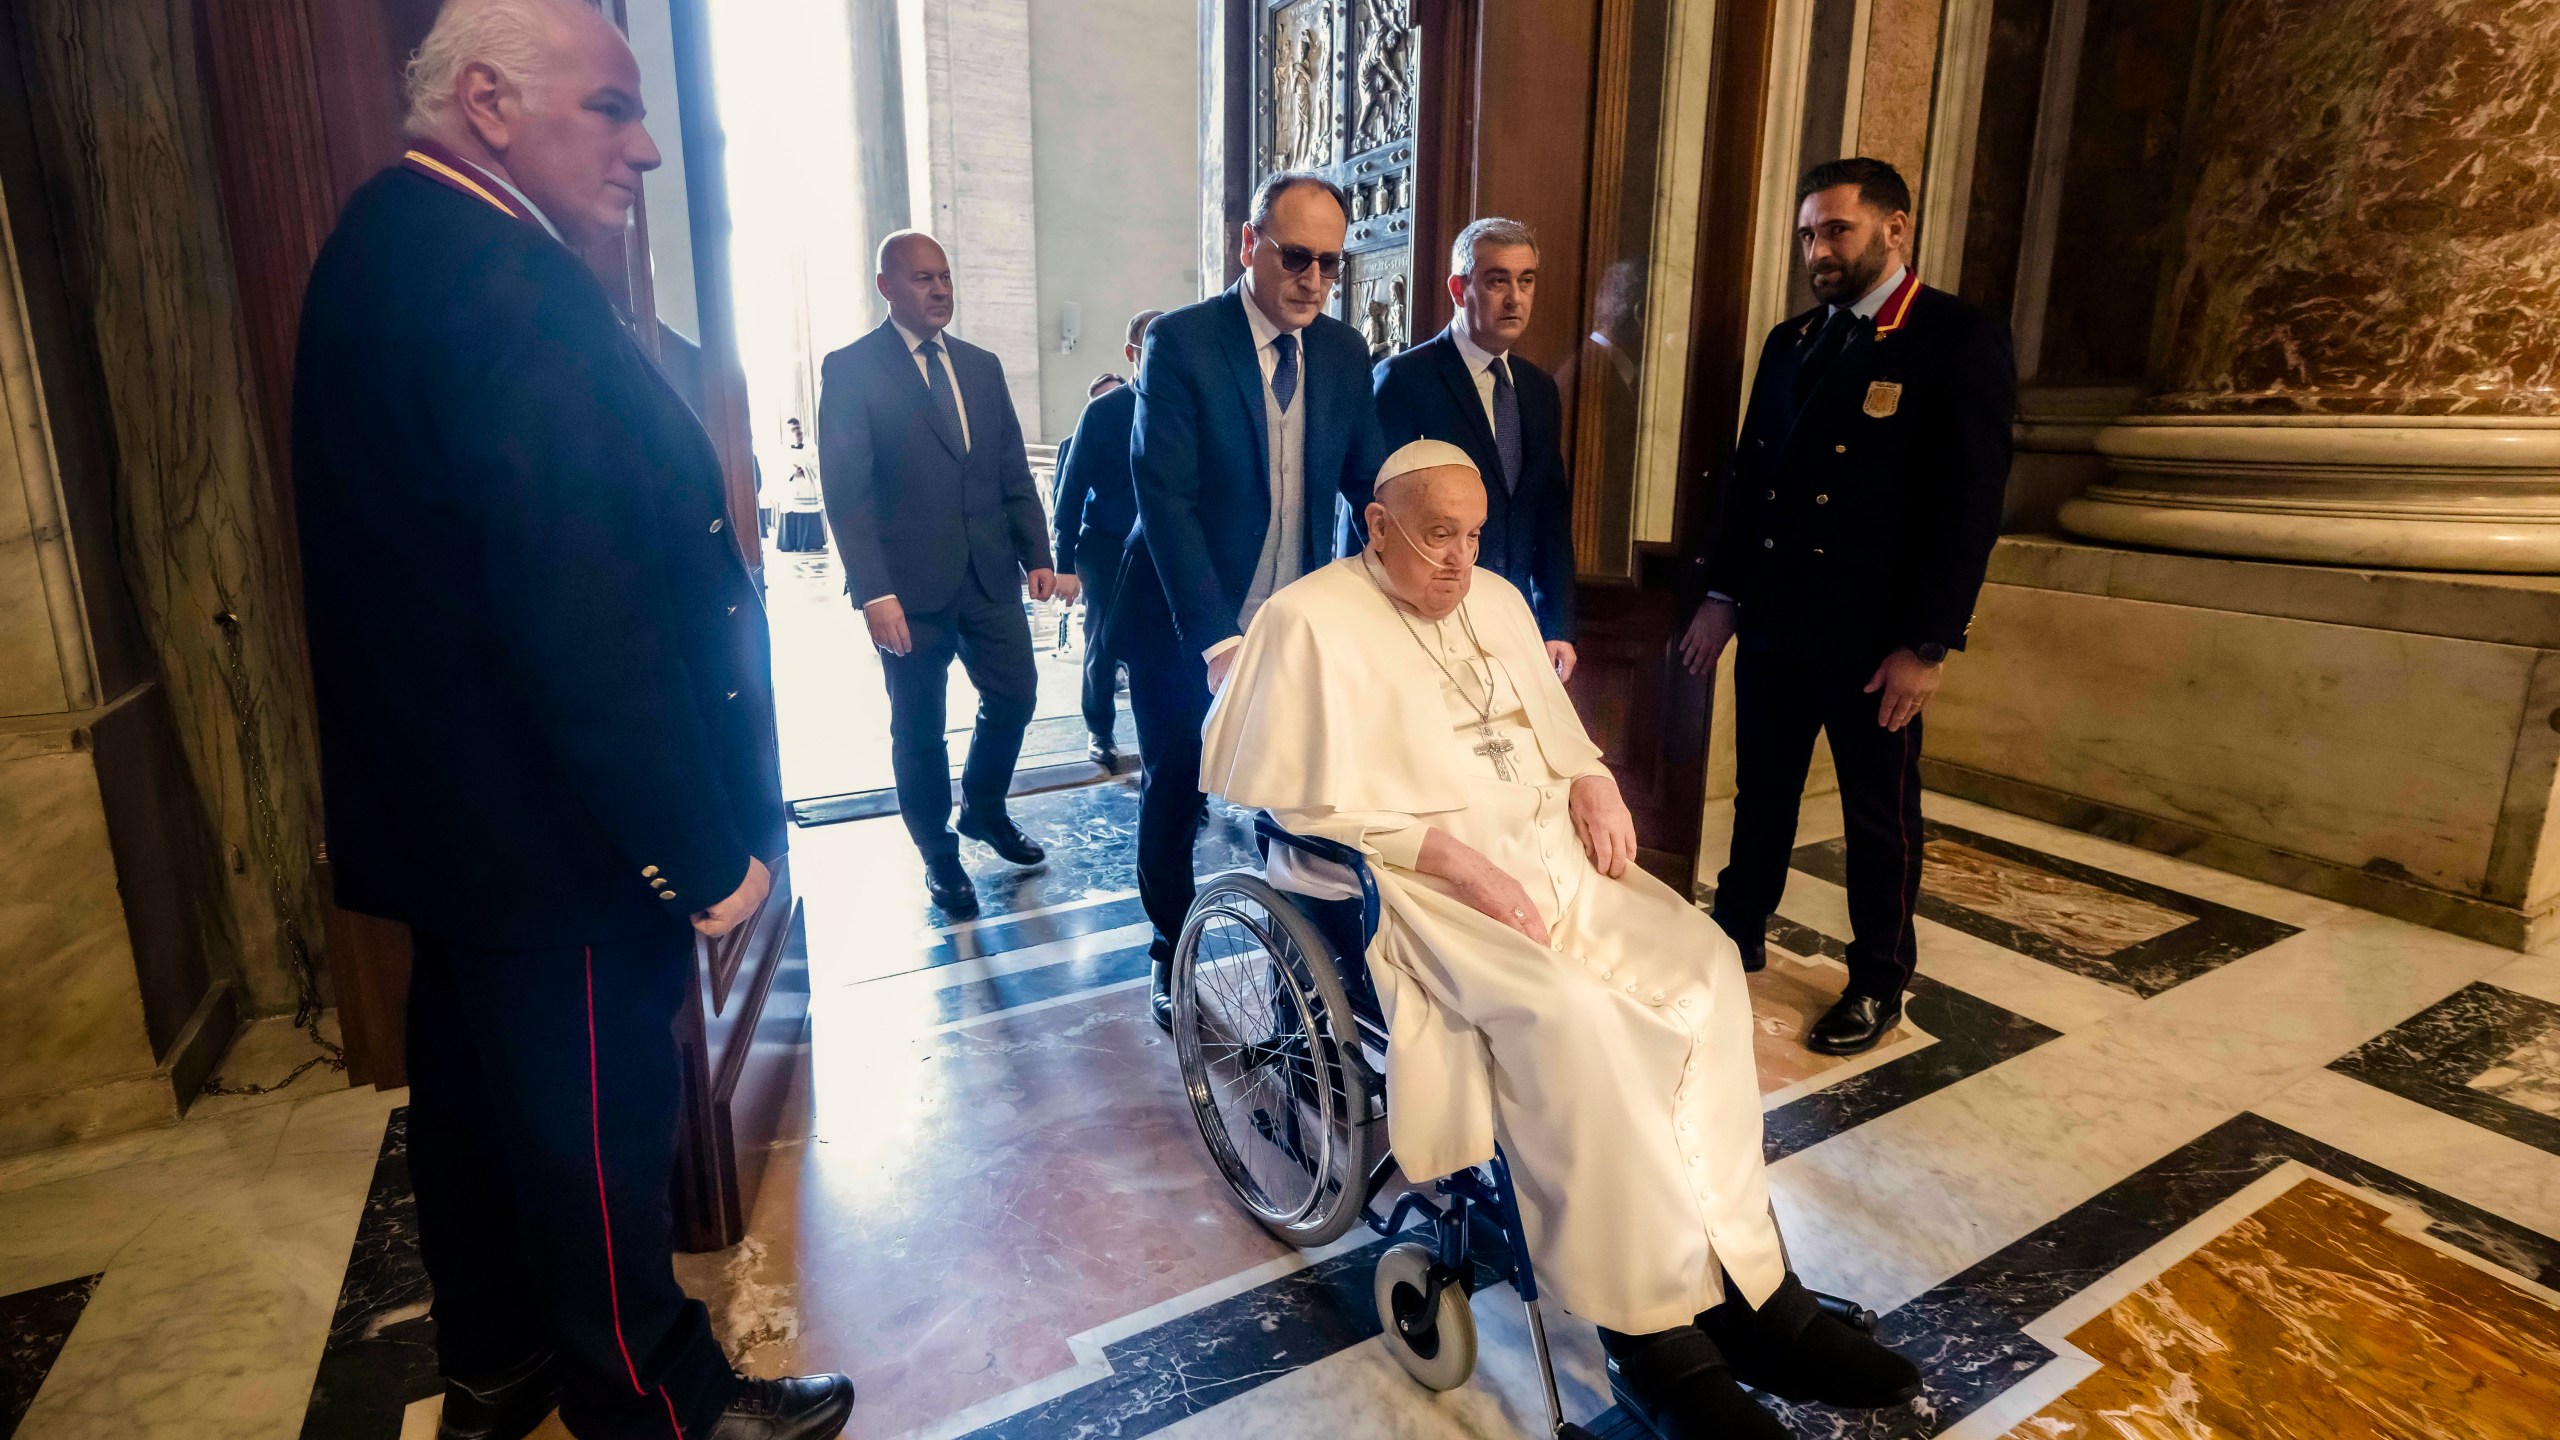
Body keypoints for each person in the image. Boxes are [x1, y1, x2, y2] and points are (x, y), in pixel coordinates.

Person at [291, 2, 854, 1438]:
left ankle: (496, 1369)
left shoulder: (384, 242)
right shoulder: (506, 283)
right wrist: (695, 849)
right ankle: (664, 1410)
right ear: (488, 98)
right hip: (557, 835)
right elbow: (579, 610)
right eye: (612, 107)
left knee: (477, 1123)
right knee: (593, 1146)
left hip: (455, 823)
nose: (647, 144)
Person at [1200, 442, 1921, 1440]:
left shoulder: (1496, 598)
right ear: (1376, 525)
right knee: (1583, 1018)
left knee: (1706, 965)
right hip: (1430, 891)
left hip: (1559, 864)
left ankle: (1749, 1288)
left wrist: (1591, 778)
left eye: (1473, 535)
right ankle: (1652, 1337)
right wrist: (1454, 861)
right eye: (1435, 535)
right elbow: (1289, 794)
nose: (1459, 560)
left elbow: (1555, 729)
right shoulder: (1309, 619)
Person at [1676, 157, 2014, 1057]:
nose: (1818, 250)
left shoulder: (1953, 338)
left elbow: (1968, 509)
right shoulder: (1790, 343)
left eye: (1837, 230)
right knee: (1762, 796)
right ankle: (1736, 931)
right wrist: (1721, 594)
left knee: (1878, 815)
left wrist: (1929, 644)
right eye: (1807, 235)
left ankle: (1877, 981)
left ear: (1894, 229)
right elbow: (1753, 484)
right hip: (1780, 622)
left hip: (1875, 640)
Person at [1116, 170, 1387, 1030]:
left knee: (1300, 800)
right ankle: (1170, 949)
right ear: (1248, 245)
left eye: (1330, 264)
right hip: (1178, 618)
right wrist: (1214, 640)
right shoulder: (1185, 344)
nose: (1312, 280)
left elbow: (1369, 485)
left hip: (1294, 624)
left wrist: (1414, 564)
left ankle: (1294, 982)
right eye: (1295, 256)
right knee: (1177, 787)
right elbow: (1166, 498)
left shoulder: (1343, 354)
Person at [817, 230, 1058, 920]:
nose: (939, 289)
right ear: (887, 286)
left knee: (1015, 695)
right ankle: (937, 854)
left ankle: (982, 808)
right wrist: (874, 592)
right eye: (922, 279)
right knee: (919, 728)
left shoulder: (981, 367)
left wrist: (1036, 553)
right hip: (908, 592)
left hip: (989, 575)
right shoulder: (853, 368)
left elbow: (1011, 467)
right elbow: (848, 492)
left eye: (945, 276)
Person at [1374, 216, 1577, 676]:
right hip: (1423, 621)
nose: (1515, 298)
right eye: (1496, 281)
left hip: (1511, 621)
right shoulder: (1404, 380)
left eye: (1526, 282)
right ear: (1457, 287)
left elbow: (1549, 514)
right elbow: (1373, 512)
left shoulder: (1539, 389)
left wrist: (1556, 623)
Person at [1052, 310, 1162, 769]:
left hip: (1163, 547)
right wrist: (1062, 564)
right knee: (1103, 641)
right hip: (1107, 547)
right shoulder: (1103, 412)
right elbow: (1070, 488)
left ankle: (1164, 743)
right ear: (1132, 353)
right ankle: (1099, 730)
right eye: (1152, 348)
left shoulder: (1187, 405)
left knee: (1162, 652)